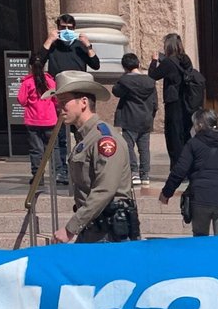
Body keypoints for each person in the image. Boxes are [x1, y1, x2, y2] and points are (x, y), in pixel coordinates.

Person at [47, 71, 139, 244]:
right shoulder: (86, 138)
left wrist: (70, 229)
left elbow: (104, 190)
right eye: (58, 103)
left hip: (109, 233)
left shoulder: (104, 139)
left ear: (83, 103)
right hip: (93, 229)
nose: (60, 108)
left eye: (64, 102)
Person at [159, 109, 218, 235]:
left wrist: (166, 193)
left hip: (201, 198)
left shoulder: (193, 144)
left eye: (194, 124)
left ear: (200, 125)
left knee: (200, 242)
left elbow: (179, 170)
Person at [40, 15, 101, 188]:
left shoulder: (79, 46)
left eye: (69, 27)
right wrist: (49, 40)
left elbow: (95, 64)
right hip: (60, 94)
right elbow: (37, 61)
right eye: (63, 27)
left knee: (82, 131)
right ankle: (61, 170)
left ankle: (86, 165)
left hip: (78, 93)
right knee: (59, 135)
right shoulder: (53, 45)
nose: (66, 30)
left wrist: (87, 45)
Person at [148, 33, 195, 165]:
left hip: (174, 102)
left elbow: (153, 75)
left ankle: (178, 168)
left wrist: (154, 61)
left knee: (173, 136)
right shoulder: (186, 59)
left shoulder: (168, 62)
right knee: (184, 134)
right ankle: (189, 166)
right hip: (186, 102)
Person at [112, 52, 158, 186]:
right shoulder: (150, 82)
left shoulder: (125, 81)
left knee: (129, 146)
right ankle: (145, 175)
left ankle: (134, 173)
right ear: (138, 64)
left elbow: (116, 92)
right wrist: (151, 115)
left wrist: (124, 77)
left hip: (129, 117)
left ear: (124, 67)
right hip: (146, 119)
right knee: (144, 149)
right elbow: (155, 102)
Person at [16, 51, 58, 178]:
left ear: (30, 66)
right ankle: (57, 173)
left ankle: (37, 176)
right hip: (50, 119)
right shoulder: (50, 81)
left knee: (36, 150)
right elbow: (56, 100)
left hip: (33, 120)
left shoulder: (27, 83)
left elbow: (22, 100)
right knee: (52, 148)